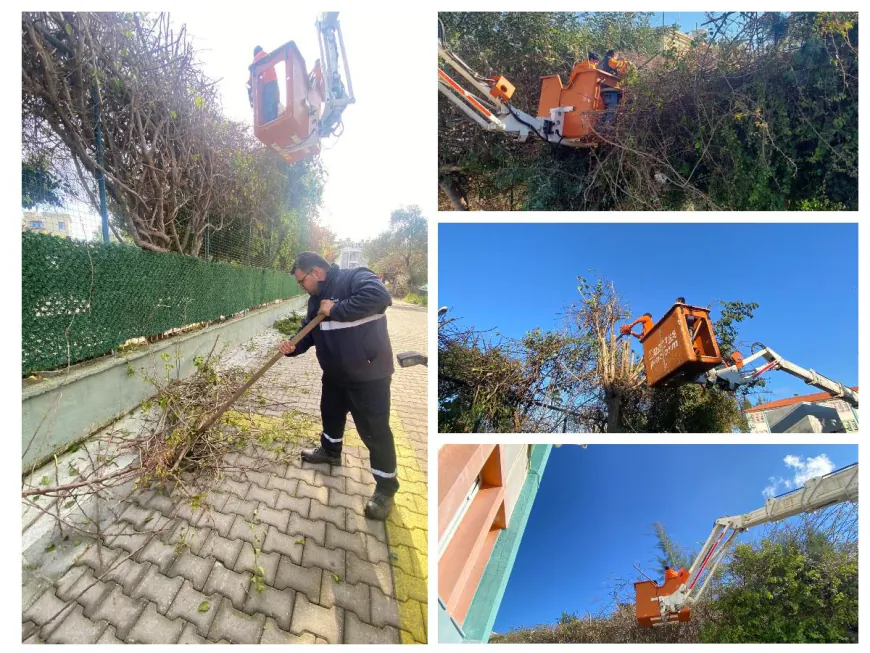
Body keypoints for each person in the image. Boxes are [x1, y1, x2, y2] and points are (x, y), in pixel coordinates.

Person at [278, 252, 398, 521]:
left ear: (317, 273)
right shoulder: (314, 302)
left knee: (375, 432)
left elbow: (380, 297)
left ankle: (386, 488)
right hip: (334, 376)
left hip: (369, 378)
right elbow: (308, 332)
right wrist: (292, 345)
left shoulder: (354, 278)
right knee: (330, 416)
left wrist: (335, 310)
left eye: (302, 281)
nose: (302, 287)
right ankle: (331, 451)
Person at [250, 45, 280, 124]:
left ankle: (269, 123)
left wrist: (249, 82)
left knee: (268, 104)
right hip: (274, 83)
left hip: (269, 83)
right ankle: (275, 122)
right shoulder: (266, 55)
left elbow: (253, 70)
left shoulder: (258, 56)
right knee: (274, 105)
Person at [597, 49, 626, 127]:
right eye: (616, 57)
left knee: (604, 113)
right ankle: (607, 130)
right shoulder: (609, 59)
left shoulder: (601, 63)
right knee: (611, 113)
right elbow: (616, 65)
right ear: (613, 55)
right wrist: (626, 63)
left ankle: (600, 129)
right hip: (611, 91)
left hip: (602, 91)